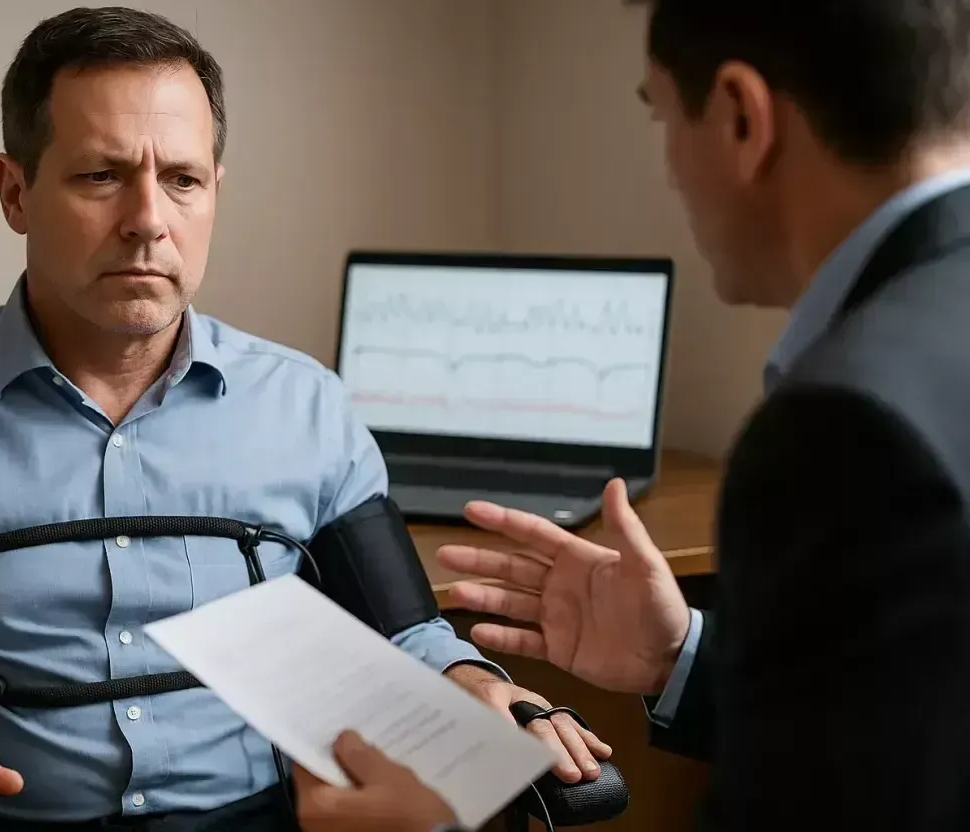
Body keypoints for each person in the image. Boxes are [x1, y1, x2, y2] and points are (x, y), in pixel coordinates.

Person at [292, 0, 970, 829]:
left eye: (661, 116)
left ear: (740, 116)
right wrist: (681, 652)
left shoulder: (846, 425)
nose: (671, 168)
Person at [0, 6, 612, 830]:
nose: (149, 219)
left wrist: (475, 685)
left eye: (182, 180)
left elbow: (406, 631)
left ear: (214, 193)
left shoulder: (307, 409)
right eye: (101, 176)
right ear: (16, 192)